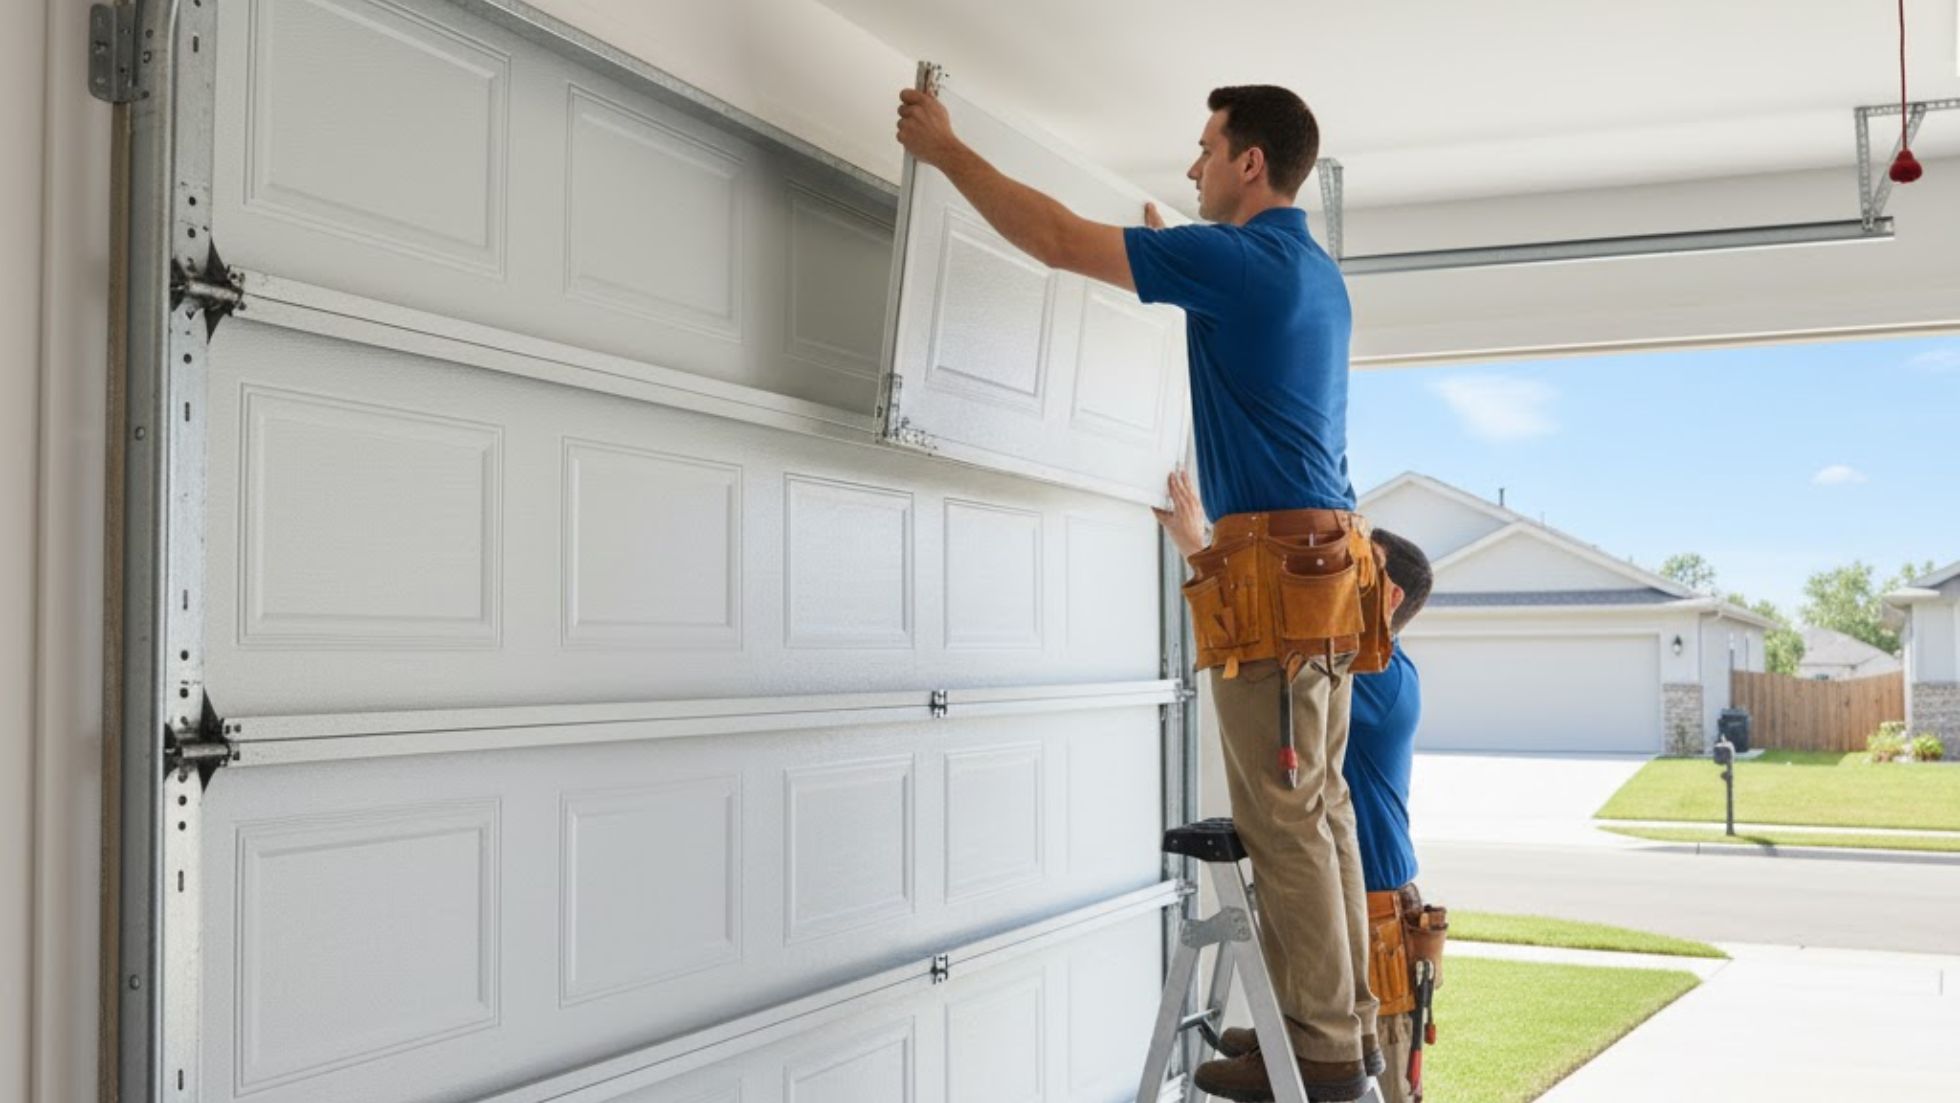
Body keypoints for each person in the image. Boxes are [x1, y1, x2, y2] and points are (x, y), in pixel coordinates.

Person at [898, 84, 1377, 1101]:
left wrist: (945, 150)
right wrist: (1177, 251)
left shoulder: (1236, 262)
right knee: (1320, 809)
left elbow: (1061, 239)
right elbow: (1227, 318)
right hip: (1325, 581)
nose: (1193, 165)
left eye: (1205, 150)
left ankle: (1325, 1053)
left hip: (1280, 588)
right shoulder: (1309, 272)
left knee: (1287, 820)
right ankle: (1338, 1029)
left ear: (1251, 163)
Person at [1158, 474, 1437, 1103]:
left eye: (1358, 571)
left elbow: (1281, 658)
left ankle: (1319, 1046)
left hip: (1370, 910)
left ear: (1385, 596)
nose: (1343, 580)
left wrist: (1202, 549)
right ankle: (1297, 1038)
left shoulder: (1379, 676)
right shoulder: (1380, 665)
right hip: (1350, 901)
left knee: (1371, 1090)